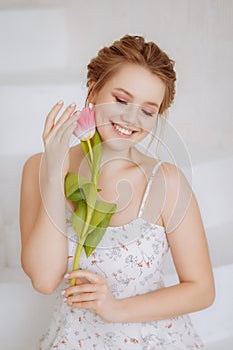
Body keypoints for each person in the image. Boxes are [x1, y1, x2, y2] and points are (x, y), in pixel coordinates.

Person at [20, 34, 215, 349]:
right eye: (122, 100)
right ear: (94, 89)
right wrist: (53, 172)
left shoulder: (166, 182)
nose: (131, 118)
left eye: (148, 111)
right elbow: (43, 280)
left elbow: (202, 289)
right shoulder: (39, 167)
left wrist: (116, 309)